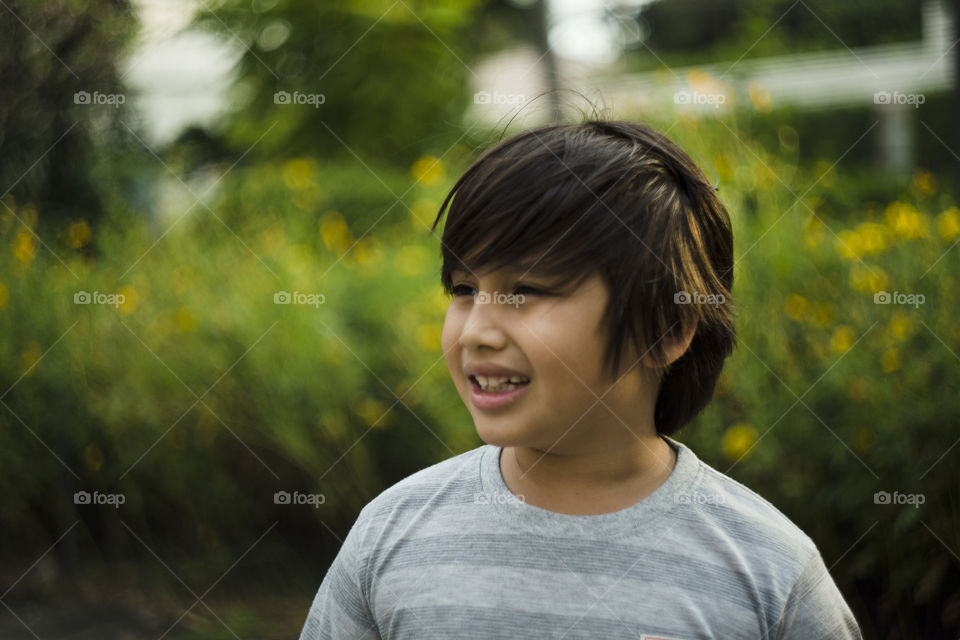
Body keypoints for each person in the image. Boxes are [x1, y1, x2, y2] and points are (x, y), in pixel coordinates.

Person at [299, 119, 863, 639]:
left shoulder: (768, 570)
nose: (476, 332)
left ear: (668, 328)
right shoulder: (392, 533)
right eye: (464, 291)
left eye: (528, 291)